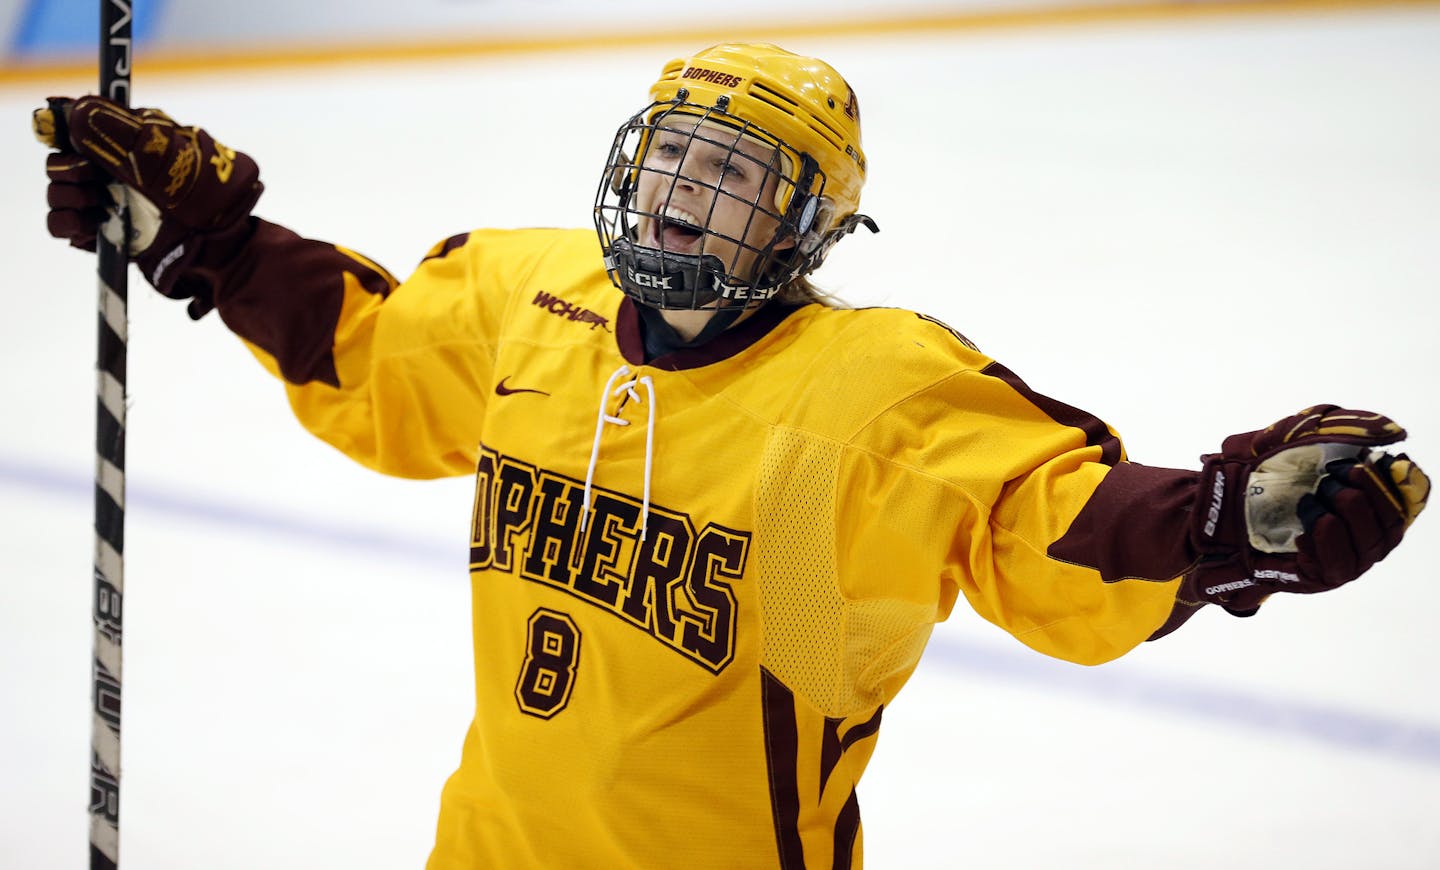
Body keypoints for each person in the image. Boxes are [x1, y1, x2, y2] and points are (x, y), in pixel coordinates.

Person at [35, 42, 1429, 869]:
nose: (690, 199)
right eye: (676, 160)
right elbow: (379, 358)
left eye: (739, 178)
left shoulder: (870, 394)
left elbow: (1039, 518)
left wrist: (1219, 525)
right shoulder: (537, 298)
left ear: (809, 225)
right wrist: (205, 240)